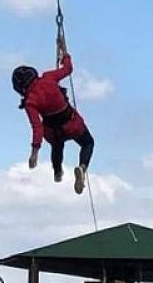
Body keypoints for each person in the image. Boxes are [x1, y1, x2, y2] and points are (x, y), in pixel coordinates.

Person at [12, 39, 95, 195]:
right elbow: (68, 69)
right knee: (88, 143)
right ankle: (82, 168)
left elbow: (37, 128)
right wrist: (64, 52)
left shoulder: (30, 101)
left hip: (53, 132)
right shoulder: (49, 78)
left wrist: (34, 152)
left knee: (57, 146)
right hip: (71, 123)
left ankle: (57, 171)